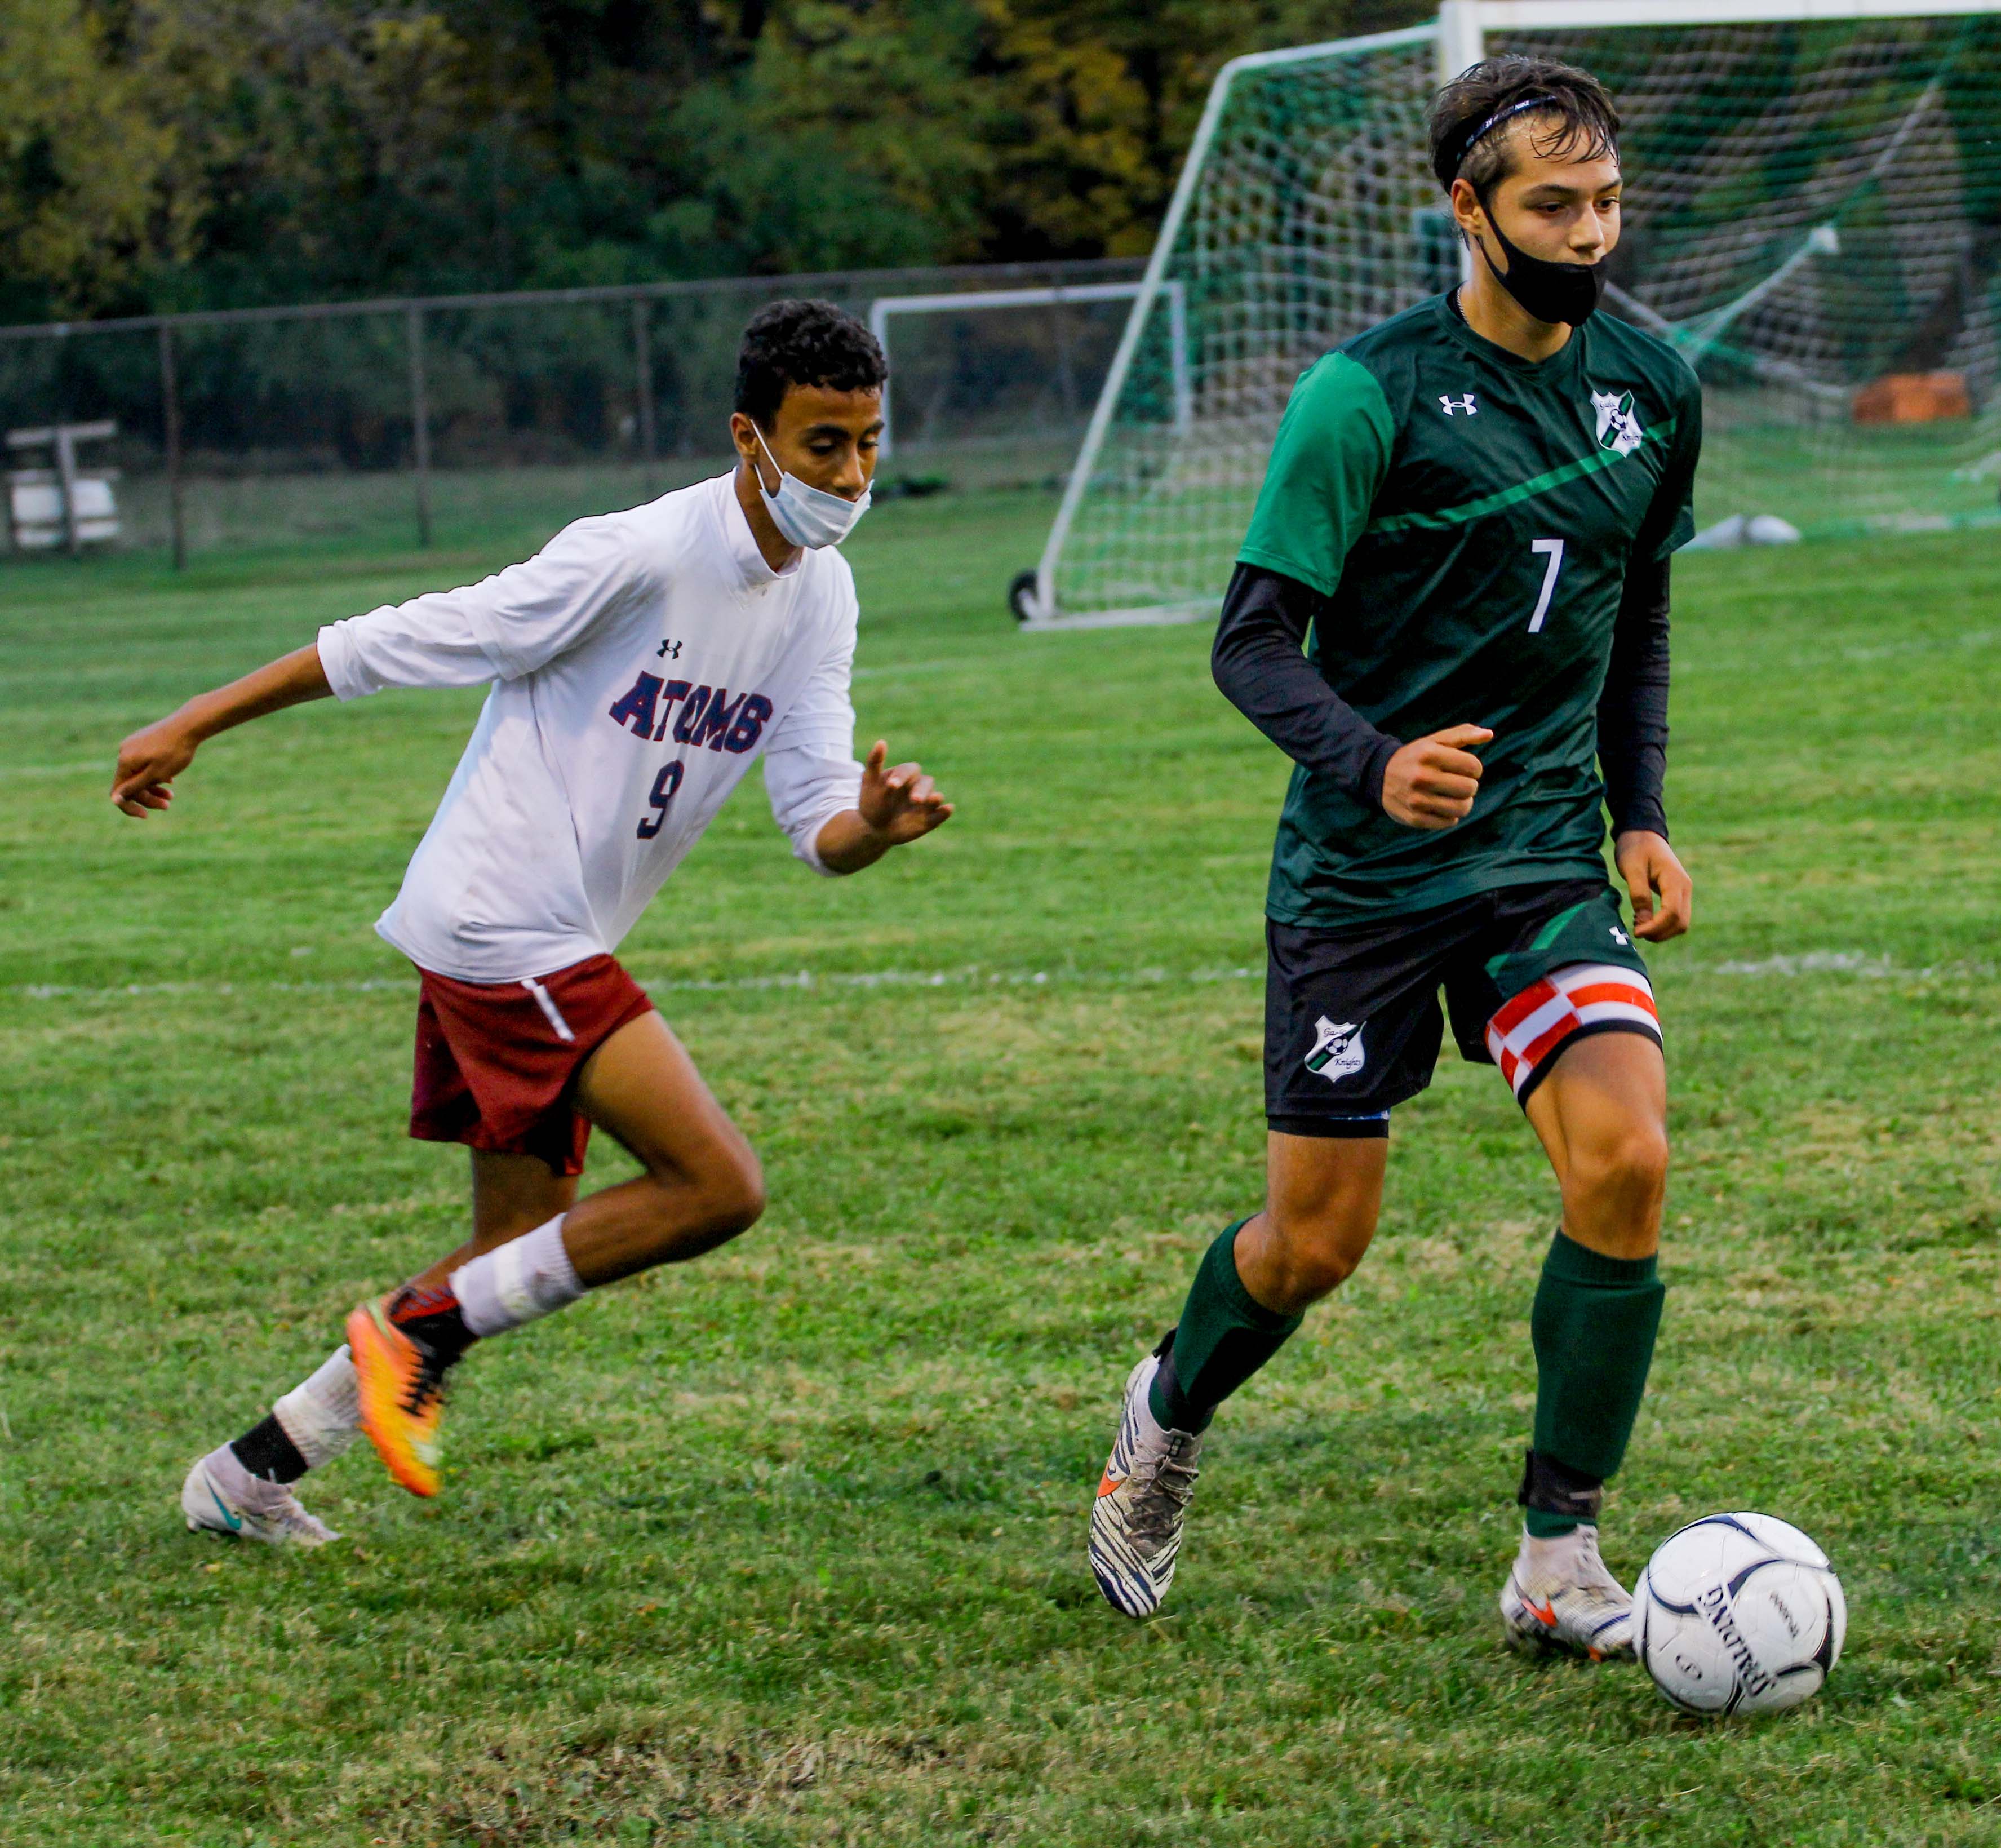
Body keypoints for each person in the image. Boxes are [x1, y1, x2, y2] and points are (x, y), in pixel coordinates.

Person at [113, 299, 952, 1544]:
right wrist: (198, 715)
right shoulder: (640, 551)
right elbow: (410, 636)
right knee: (718, 1184)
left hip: (534, 933)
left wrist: (873, 824)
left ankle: (252, 1468)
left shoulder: (822, 598)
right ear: (749, 437)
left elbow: (817, 817)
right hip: (510, 919)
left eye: (870, 442)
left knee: (516, 1246)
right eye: (823, 444)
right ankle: (409, 1334)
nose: (852, 474)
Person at [1089, 55, 1700, 1660]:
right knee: (1317, 1241)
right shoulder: (1367, 394)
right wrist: (1374, 761)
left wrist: (1637, 812)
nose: (1589, 232)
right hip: (1362, 873)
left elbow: (1635, 615)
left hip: (1537, 857)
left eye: (1608, 201)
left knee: (1627, 1160)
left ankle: (1559, 1557)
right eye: (1553, 204)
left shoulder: (1657, 384)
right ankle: (1164, 1410)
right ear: (1469, 209)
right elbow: (1251, 641)